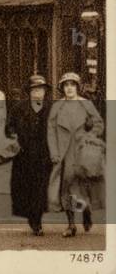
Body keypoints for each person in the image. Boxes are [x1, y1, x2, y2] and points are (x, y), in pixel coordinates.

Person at [48, 72, 104, 237]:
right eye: (66, 85)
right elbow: (50, 131)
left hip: (83, 153)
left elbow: (99, 124)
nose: (69, 88)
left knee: (84, 186)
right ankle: (71, 224)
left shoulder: (86, 104)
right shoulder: (57, 106)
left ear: (78, 88)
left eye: (73, 85)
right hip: (64, 155)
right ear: (62, 88)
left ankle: (86, 211)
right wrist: (54, 152)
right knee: (67, 188)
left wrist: (90, 134)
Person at [7, 74, 52, 236]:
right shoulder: (19, 108)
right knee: (25, 188)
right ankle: (31, 217)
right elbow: (9, 126)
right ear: (29, 92)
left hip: (44, 155)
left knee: (41, 188)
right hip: (23, 155)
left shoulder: (51, 108)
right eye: (35, 90)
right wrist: (13, 137)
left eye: (41, 89)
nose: (38, 93)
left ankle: (37, 220)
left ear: (45, 91)